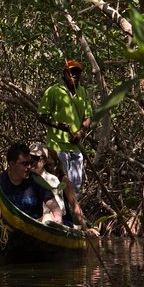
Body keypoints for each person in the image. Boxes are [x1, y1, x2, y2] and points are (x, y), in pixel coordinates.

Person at [38, 59, 93, 197]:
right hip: (57, 146)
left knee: (76, 188)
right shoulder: (53, 91)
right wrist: (57, 125)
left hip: (75, 147)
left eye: (77, 73)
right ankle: (59, 215)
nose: (73, 76)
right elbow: (41, 115)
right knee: (59, 186)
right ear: (64, 73)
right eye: (70, 72)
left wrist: (80, 132)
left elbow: (88, 118)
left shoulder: (83, 93)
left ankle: (74, 215)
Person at [31, 142, 99, 236]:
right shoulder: (27, 176)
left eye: (35, 158)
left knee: (48, 218)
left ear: (45, 161)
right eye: (29, 158)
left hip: (59, 219)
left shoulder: (58, 179)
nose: (31, 162)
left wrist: (85, 228)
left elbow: (74, 204)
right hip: (40, 217)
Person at [0, 143, 63, 223]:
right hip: (6, 229)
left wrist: (57, 218)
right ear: (12, 164)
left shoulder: (37, 180)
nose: (29, 166)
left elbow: (55, 207)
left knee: (48, 218)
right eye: (25, 164)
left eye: (30, 162)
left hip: (35, 229)